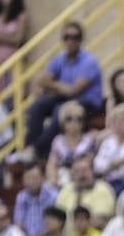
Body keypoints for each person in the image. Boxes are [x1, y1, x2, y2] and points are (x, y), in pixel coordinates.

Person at [26, 22, 104, 159]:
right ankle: (30, 147)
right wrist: (58, 86)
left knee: (61, 110)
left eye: (75, 37)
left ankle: (36, 150)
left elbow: (74, 90)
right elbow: (40, 82)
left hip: (89, 103)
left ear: (81, 40)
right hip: (66, 98)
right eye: (67, 37)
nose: (71, 41)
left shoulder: (89, 61)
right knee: (38, 106)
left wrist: (52, 85)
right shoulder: (60, 59)